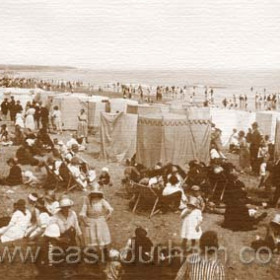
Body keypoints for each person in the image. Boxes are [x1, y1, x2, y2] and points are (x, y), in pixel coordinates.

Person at [79, 185, 113, 251]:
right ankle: (92, 252)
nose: (95, 195)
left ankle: (103, 251)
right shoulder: (87, 200)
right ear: (91, 193)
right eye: (94, 193)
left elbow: (108, 207)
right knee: (92, 238)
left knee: (101, 237)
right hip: (90, 220)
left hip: (100, 220)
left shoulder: (101, 200)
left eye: (97, 193)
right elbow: (83, 210)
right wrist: (83, 219)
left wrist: (109, 213)